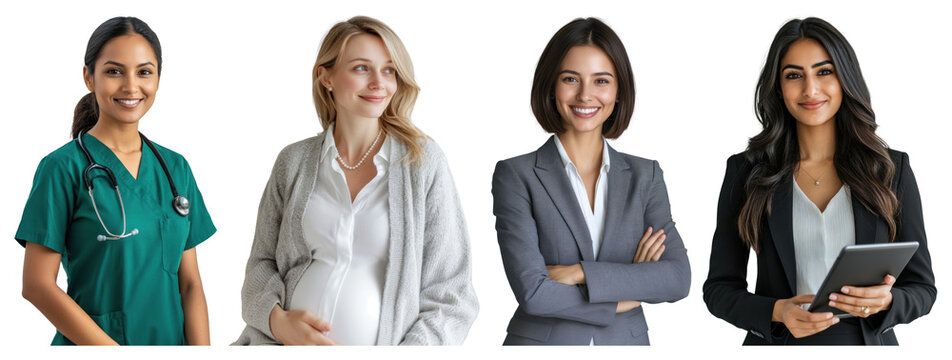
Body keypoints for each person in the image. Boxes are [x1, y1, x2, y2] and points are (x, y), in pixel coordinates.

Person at [234, 16, 478, 346]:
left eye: (389, 70)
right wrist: (279, 324)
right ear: (326, 77)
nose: (379, 83)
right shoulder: (292, 162)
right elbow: (260, 265)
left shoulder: (422, 162)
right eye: (362, 68)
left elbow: (452, 295)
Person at [702, 17, 936, 345]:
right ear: (778, 88)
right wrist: (777, 311)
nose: (810, 89)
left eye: (824, 72)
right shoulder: (747, 172)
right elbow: (719, 289)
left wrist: (888, 301)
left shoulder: (890, 169)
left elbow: (923, 288)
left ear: (845, 78)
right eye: (794, 75)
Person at [16, 16, 215, 345]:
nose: (131, 86)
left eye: (144, 72)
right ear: (89, 77)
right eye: (114, 71)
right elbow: (37, 285)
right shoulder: (61, 169)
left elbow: (190, 284)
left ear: (158, 78)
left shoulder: (175, 168)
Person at [491, 18, 690, 345]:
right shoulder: (516, 175)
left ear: (619, 91)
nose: (585, 95)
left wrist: (577, 273)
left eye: (601, 81)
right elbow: (534, 293)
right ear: (551, 86)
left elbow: (677, 278)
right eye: (571, 79)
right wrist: (629, 291)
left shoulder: (646, 176)